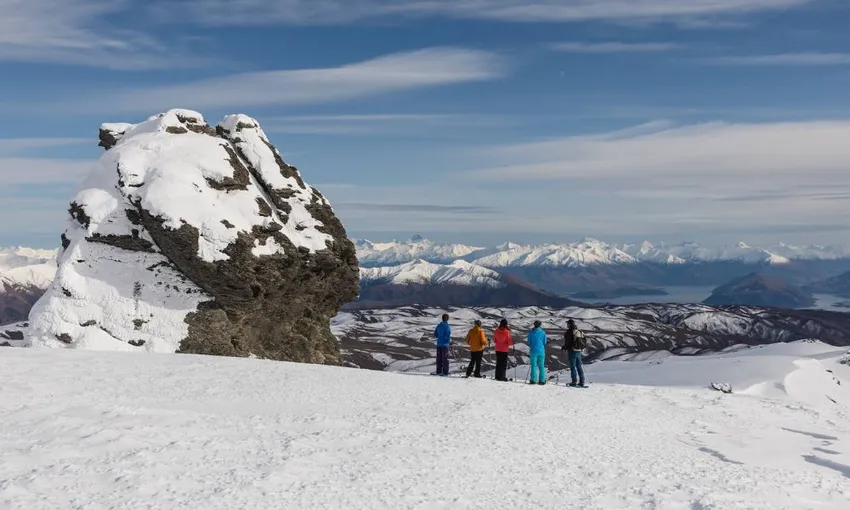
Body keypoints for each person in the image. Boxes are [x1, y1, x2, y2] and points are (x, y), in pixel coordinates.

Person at [561, 319, 586, 387]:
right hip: (579, 351)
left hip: (572, 351)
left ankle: (574, 381)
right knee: (579, 366)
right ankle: (582, 381)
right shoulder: (578, 331)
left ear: (569, 324)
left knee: (573, 367)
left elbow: (568, 342)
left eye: (567, 324)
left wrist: (564, 347)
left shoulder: (570, 331)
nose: (567, 325)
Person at [526, 320, 548, 385]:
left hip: (533, 351)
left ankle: (533, 380)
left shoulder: (531, 332)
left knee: (533, 366)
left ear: (534, 325)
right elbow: (545, 342)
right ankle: (542, 380)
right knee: (541, 366)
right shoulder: (543, 332)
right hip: (541, 351)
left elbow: (529, 342)